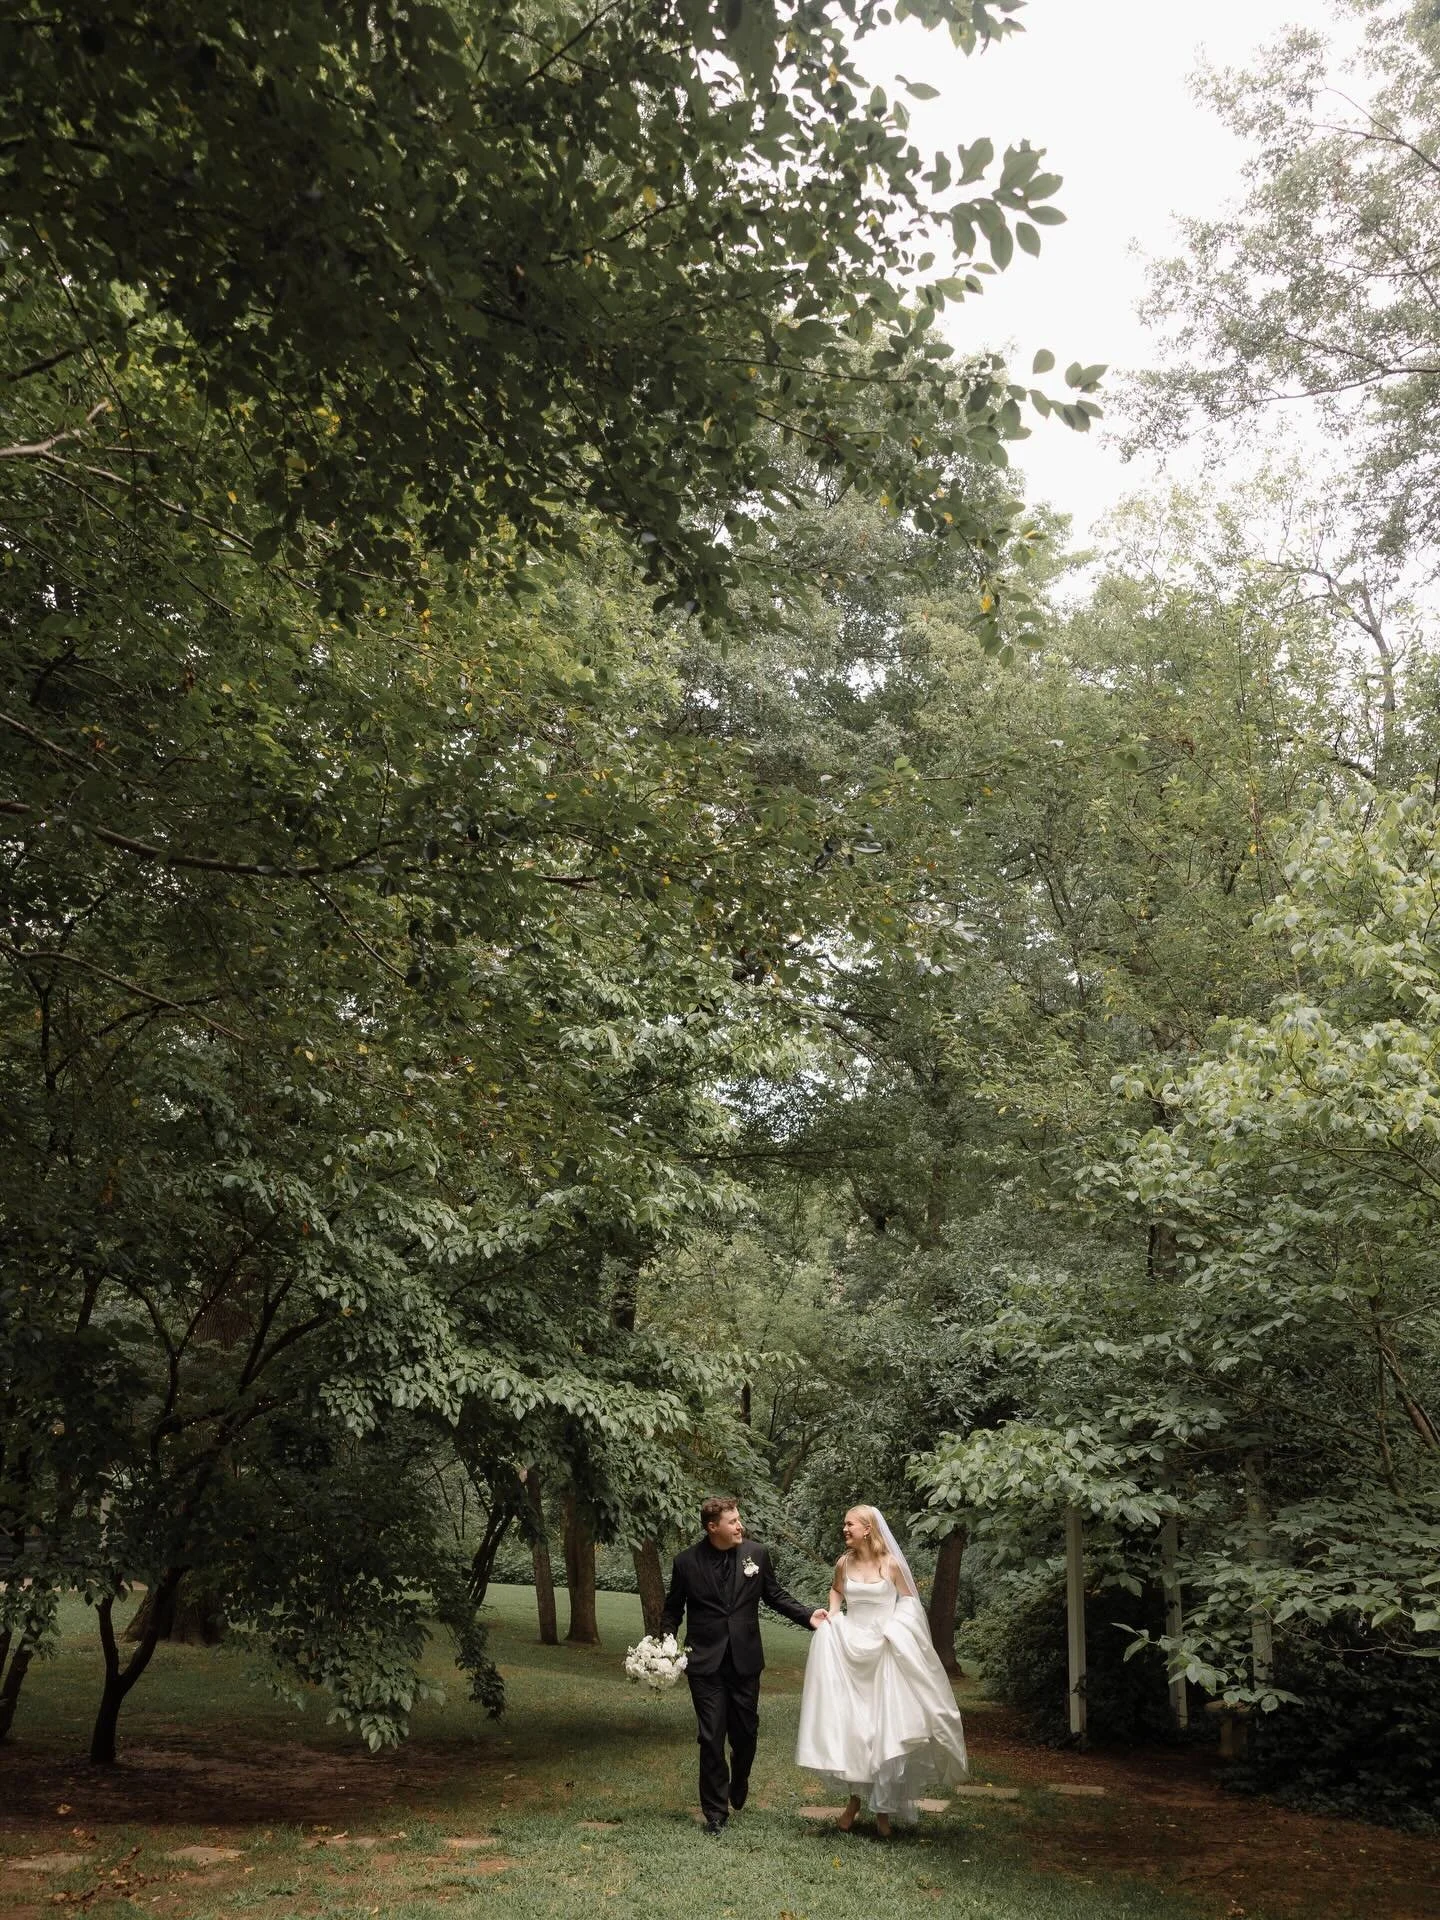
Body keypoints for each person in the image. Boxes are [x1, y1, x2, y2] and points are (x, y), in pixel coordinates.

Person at [795, 1504, 969, 1834]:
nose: (844, 1529)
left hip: (884, 1652)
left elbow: (909, 1603)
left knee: (883, 1730)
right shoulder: (843, 1563)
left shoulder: (890, 1565)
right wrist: (833, 1613)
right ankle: (855, 1800)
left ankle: (884, 1809)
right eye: (844, 1524)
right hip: (850, 1650)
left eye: (849, 1524)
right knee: (854, 1729)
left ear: (867, 1528)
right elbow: (836, 1591)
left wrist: (896, 1630)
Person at [660, 1495, 827, 1834]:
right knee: (710, 1736)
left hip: (745, 1659)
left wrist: (808, 1615)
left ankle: (741, 1774)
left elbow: (775, 1595)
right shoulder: (685, 1562)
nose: (740, 1526)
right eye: (733, 1521)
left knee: (746, 1733)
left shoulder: (757, 1555)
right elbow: (673, 1608)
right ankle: (715, 1813)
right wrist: (664, 1641)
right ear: (712, 1527)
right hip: (704, 1661)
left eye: (739, 1520)